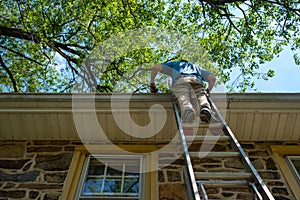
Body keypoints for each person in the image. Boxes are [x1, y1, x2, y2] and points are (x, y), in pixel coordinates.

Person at [150, 60, 216, 123]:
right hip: (196, 80)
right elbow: (212, 78)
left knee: (183, 97)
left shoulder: (175, 64)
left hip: (181, 80)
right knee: (201, 96)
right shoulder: (197, 67)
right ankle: (205, 108)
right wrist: (208, 90)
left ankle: (187, 110)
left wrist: (152, 81)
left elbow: (156, 67)